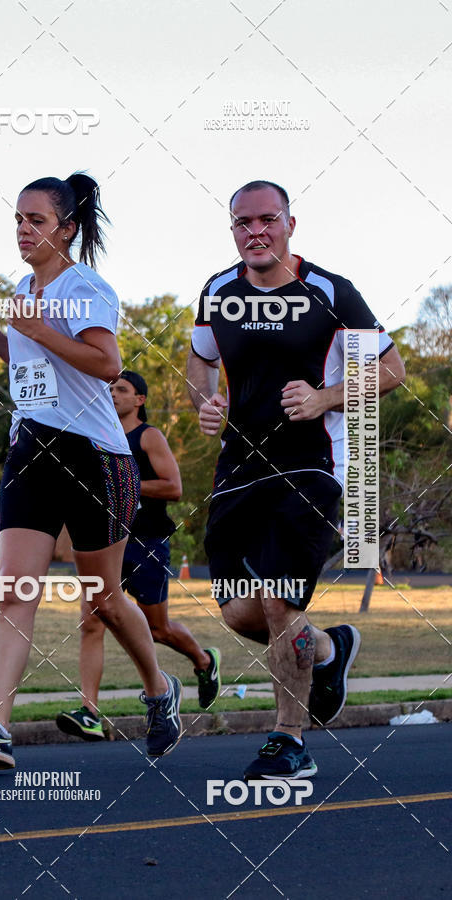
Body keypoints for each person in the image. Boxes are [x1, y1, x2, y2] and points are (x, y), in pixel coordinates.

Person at [0, 173, 182, 768]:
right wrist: (0, 337)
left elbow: (106, 365)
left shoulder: (87, 288)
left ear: (67, 228)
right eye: (18, 220)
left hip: (94, 457)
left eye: (37, 220)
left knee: (102, 599)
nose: (24, 230)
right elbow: (38, 377)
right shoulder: (22, 289)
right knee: (14, 590)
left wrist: (35, 327)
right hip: (31, 451)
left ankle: (159, 688)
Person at [187, 180, 405, 779]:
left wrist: (325, 397)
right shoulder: (217, 290)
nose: (255, 231)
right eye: (242, 222)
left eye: (267, 219)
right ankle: (330, 649)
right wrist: (208, 401)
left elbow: (390, 369)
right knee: (238, 614)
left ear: (289, 224)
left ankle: (290, 740)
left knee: (281, 601)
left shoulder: (331, 292)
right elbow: (199, 363)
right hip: (237, 470)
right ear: (232, 230)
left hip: (311, 466)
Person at [56, 370, 221, 741]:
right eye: (109, 388)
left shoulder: (148, 436)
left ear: (139, 400)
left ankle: (204, 661)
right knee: (92, 621)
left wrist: (122, 483)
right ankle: (89, 713)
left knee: (157, 628)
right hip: (102, 541)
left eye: (122, 389)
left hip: (145, 541)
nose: (113, 394)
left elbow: (173, 488)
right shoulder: (95, 438)